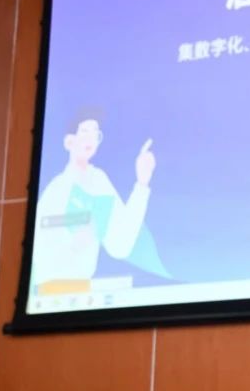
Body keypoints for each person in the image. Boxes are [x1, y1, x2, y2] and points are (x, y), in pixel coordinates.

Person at [31, 109, 156, 291]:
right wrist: (71, 245)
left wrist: (142, 183)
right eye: (84, 131)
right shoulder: (56, 189)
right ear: (69, 142)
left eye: (95, 134)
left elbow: (120, 244)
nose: (90, 139)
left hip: (84, 293)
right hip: (51, 290)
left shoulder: (99, 180)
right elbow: (39, 248)